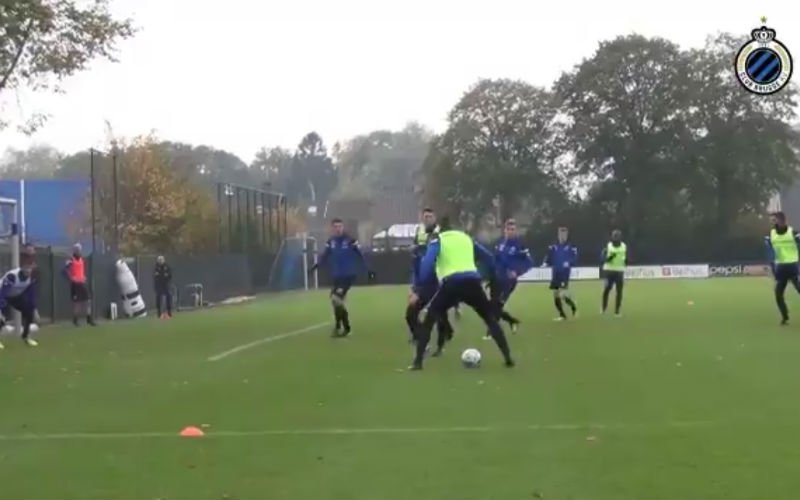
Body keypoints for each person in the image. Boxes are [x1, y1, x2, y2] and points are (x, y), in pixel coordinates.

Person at [411, 216, 514, 370]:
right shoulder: (467, 239)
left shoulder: (438, 240)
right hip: (472, 282)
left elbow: (427, 263)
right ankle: (508, 358)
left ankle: (418, 362)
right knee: (490, 319)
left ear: (441, 228)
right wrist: (490, 277)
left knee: (430, 319)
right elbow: (488, 257)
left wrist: (422, 285)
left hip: (451, 284)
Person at [309, 218, 375, 337]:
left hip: (348, 275)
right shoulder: (331, 242)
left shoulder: (350, 240)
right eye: (335, 227)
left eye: (340, 226)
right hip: (336, 275)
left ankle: (346, 327)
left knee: (336, 299)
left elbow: (361, 255)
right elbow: (324, 256)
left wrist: (369, 270)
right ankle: (338, 326)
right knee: (336, 302)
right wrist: (315, 267)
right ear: (332, 228)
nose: (338, 229)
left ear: (343, 227)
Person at [406, 208, 454, 352]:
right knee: (410, 314)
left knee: (438, 315)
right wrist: (414, 286)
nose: (427, 219)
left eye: (430, 217)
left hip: (438, 282)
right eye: (425, 217)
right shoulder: (419, 233)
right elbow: (415, 261)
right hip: (423, 283)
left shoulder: (441, 234)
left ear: (435, 218)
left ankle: (439, 346)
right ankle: (422, 338)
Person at [485, 218, 533, 338]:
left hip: (509, 282)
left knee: (497, 306)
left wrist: (517, 272)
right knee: (492, 306)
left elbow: (529, 262)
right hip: (496, 280)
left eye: (513, 229)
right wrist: (490, 277)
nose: (511, 232)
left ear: (515, 231)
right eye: (508, 229)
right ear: (505, 230)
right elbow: (495, 261)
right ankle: (512, 321)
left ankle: (492, 332)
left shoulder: (519, 245)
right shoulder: (500, 244)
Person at [765, 211, 800, 325]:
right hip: (780, 267)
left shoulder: (794, 233)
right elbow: (770, 251)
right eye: (772, 220)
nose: (773, 222)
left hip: (793, 266)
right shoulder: (770, 235)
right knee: (778, 294)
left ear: (782, 220)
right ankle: (785, 317)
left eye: (775, 220)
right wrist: (772, 266)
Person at [0, 260, 40, 348]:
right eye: (26, 268)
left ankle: (26, 337)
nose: (28, 271)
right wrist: (1, 311)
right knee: (2, 318)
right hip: (2, 295)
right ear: (21, 268)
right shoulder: (12, 276)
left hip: (14, 296)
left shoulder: (32, 277)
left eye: (30, 268)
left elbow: (31, 295)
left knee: (29, 311)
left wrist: (35, 310)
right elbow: (2, 293)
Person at [543, 226, 579, 320]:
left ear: (567, 235)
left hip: (564, 273)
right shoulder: (553, 246)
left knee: (562, 294)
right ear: (558, 235)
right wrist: (545, 263)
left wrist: (569, 262)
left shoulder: (571, 246)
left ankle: (573, 307)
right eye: (561, 234)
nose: (563, 236)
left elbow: (575, 257)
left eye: (565, 234)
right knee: (555, 294)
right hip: (555, 273)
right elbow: (549, 256)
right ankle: (562, 315)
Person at [63, 243, 96, 326]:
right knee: (77, 303)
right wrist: (71, 278)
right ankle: (75, 320)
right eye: (77, 249)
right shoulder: (71, 259)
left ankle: (89, 319)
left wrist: (83, 276)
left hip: (82, 282)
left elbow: (80, 270)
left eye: (80, 249)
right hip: (75, 284)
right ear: (74, 250)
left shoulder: (81, 259)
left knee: (88, 301)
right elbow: (64, 270)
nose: (79, 251)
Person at [601, 229, 626, 316]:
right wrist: (609, 258)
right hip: (609, 271)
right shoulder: (608, 246)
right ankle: (604, 309)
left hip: (619, 271)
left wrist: (626, 261)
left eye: (617, 236)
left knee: (619, 292)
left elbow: (625, 257)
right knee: (606, 290)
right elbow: (603, 258)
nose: (616, 238)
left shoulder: (623, 246)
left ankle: (617, 311)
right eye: (615, 236)